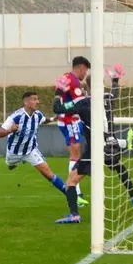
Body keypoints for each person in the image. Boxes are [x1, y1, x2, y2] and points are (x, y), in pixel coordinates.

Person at [53, 63, 133, 224]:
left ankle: (74, 214)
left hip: (95, 150)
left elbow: (57, 108)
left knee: (71, 182)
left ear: (86, 87)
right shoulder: (109, 98)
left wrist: (59, 90)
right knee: (119, 167)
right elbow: (115, 90)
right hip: (112, 145)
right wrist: (115, 79)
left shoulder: (82, 103)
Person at [0, 92, 66, 196]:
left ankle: (71, 195)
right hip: (14, 152)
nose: (37, 102)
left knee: (48, 174)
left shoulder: (37, 114)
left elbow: (43, 120)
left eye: (37, 99)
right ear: (26, 102)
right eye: (34, 99)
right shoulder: (16, 117)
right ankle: (15, 162)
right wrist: (10, 130)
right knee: (10, 165)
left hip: (31, 150)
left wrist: (53, 119)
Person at [56, 56, 91, 207]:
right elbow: (79, 103)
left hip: (67, 120)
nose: (85, 74)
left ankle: (76, 190)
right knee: (76, 154)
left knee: (77, 153)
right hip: (70, 120)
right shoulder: (73, 80)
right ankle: (75, 191)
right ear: (81, 67)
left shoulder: (66, 78)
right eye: (86, 70)